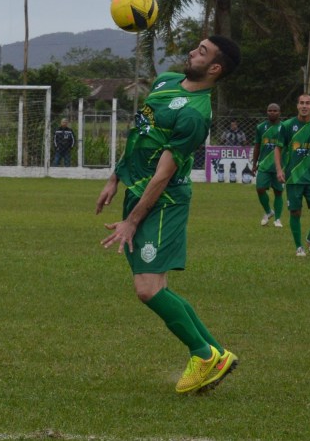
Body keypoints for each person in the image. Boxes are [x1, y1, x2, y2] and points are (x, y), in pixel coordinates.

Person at [96, 35, 240, 394]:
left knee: (146, 289)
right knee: (156, 286)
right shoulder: (165, 82)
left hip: (164, 202)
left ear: (215, 68)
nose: (193, 52)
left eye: (202, 52)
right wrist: (115, 177)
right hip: (136, 190)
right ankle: (218, 353)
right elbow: (139, 135)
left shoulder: (195, 114)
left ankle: (202, 353)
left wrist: (132, 221)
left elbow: (163, 174)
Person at [274, 94, 310, 257]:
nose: (304, 106)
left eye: (307, 103)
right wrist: (279, 169)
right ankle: (299, 247)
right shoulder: (287, 125)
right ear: (297, 106)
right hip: (293, 177)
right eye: (301, 103)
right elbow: (278, 148)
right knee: (295, 212)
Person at [251, 103, 284, 227]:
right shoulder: (260, 127)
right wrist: (254, 164)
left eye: (275, 110)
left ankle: (278, 219)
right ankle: (269, 211)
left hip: (279, 166)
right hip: (264, 165)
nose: (272, 112)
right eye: (270, 110)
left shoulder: (284, 128)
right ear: (267, 112)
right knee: (260, 188)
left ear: (279, 112)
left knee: (278, 191)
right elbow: (257, 146)